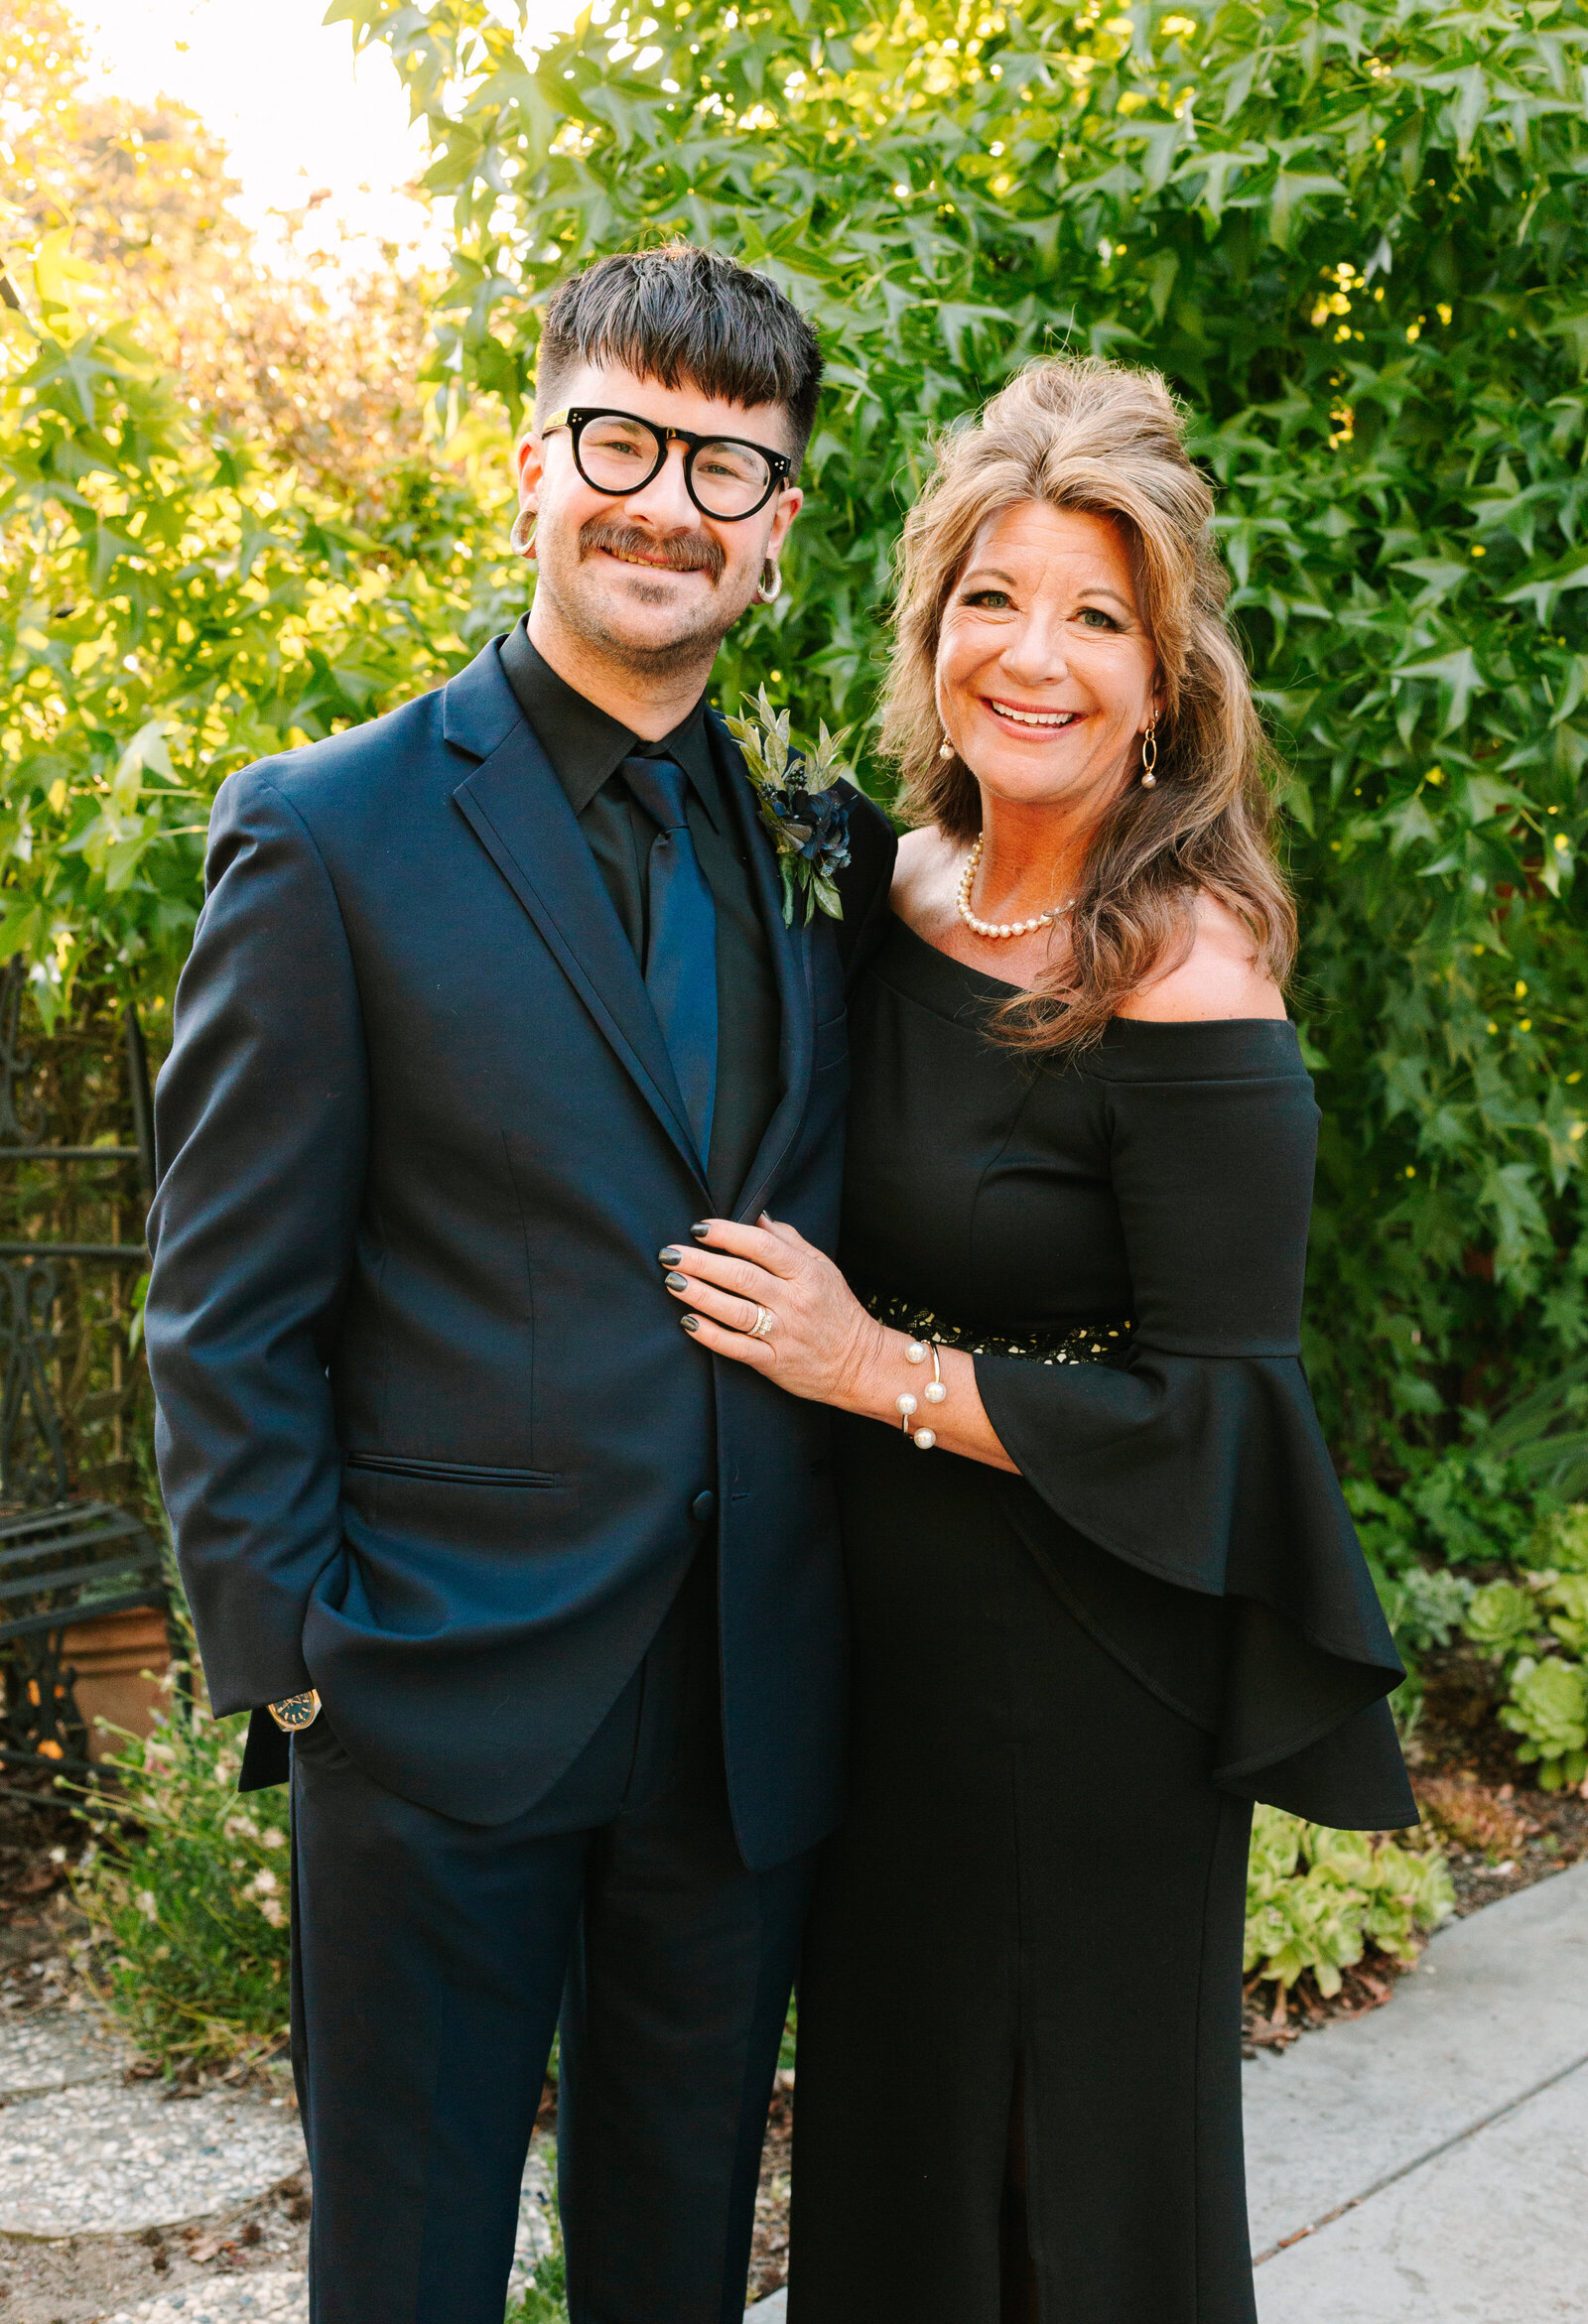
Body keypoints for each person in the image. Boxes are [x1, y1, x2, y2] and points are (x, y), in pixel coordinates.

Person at [143, 242, 894, 2324]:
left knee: (676, 2272)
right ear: (535, 459)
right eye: (620, 440)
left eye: (723, 467)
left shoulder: (811, 853)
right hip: (430, 1707)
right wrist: (300, 1666)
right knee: (409, 2275)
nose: (665, 500)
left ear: (778, 527)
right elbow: (224, 1307)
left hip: (740, 1718)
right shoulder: (328, 831)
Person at [664, 353, 1416, 2324]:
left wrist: (865, 1370)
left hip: (1092, 1659)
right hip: (876, 1648)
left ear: (1161, 681)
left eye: (1096, 617)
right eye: (992, 597)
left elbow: (1220, 1415)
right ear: (928, 632)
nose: (1036, 656)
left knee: (1063, 2173)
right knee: (898, 2155)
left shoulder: (1182, 969)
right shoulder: (879, 893)